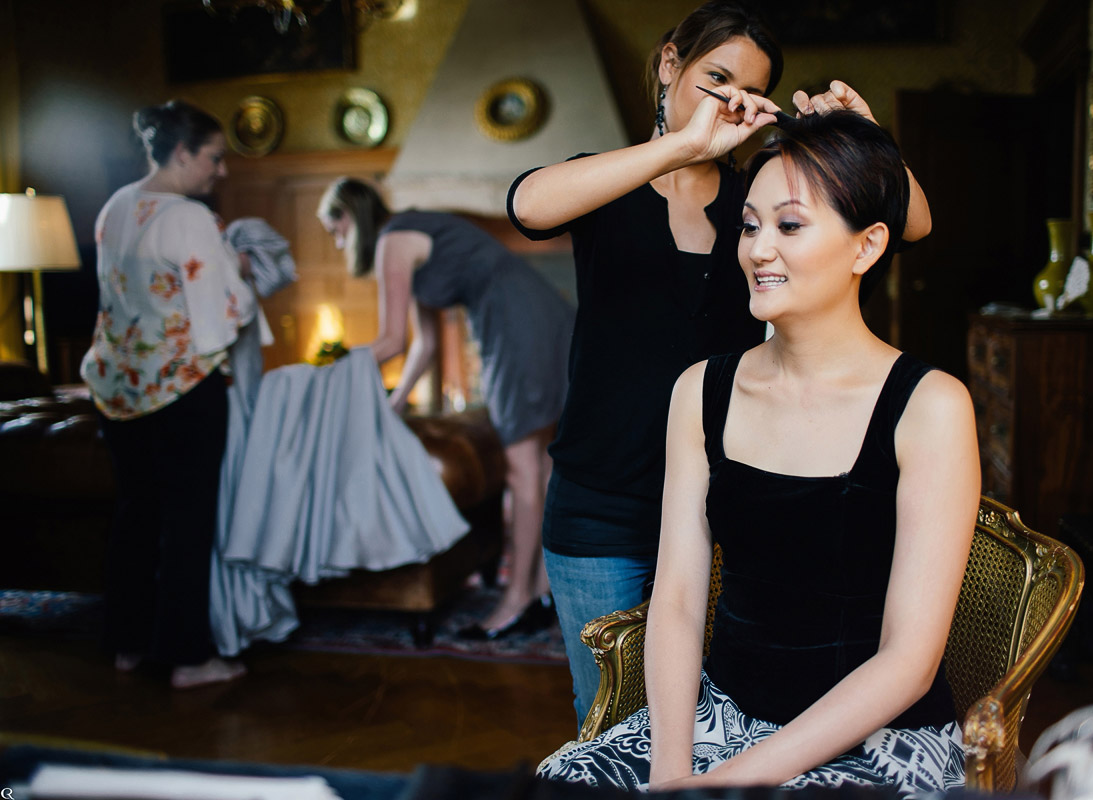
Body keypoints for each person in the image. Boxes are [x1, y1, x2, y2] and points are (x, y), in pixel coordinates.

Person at [507, 0, 933, 727]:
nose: (730, 100)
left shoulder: (755, 207)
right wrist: (679, 148)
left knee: (714, 708)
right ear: (670, 64)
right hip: (600, 505)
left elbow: (913, 224)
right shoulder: (608, 184)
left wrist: (868, 136)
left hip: (725, 504)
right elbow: (526, 205)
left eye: (747, 89)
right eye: (716, 78)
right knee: (606, 715)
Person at [538, 109, 979, 796]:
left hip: (878, 735)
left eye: (790, 225)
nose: (757, 249)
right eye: (749, 225)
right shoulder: (701, 391)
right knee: (556, 783)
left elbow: (907, 663)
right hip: (723, 715)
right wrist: (671, 771)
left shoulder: (932, 405)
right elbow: (679, 601)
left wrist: (728, 786)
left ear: (867, 247)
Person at [316, 178, 573, 638]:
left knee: (523, 468)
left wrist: (330, 370)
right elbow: (424, 345)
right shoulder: (410, 233)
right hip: (538, 311)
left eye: (335, 231)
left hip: (512, 321)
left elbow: (392, 340)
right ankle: (537, 590)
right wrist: (396, 402)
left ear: (350, 217)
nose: (337, 242)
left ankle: (514, 601)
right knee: (541, 462)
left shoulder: (392, 242)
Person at [80, 100, 256, 689]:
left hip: (119, 387)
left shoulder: (116, 206)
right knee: (188, 523)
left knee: (135, 513)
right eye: (213, 157)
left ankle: (126, 642)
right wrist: (245, 277)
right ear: (182, 154)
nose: (220, 170)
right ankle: (188, 658)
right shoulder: (189, 217)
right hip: (183, 388)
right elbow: (220, 316)